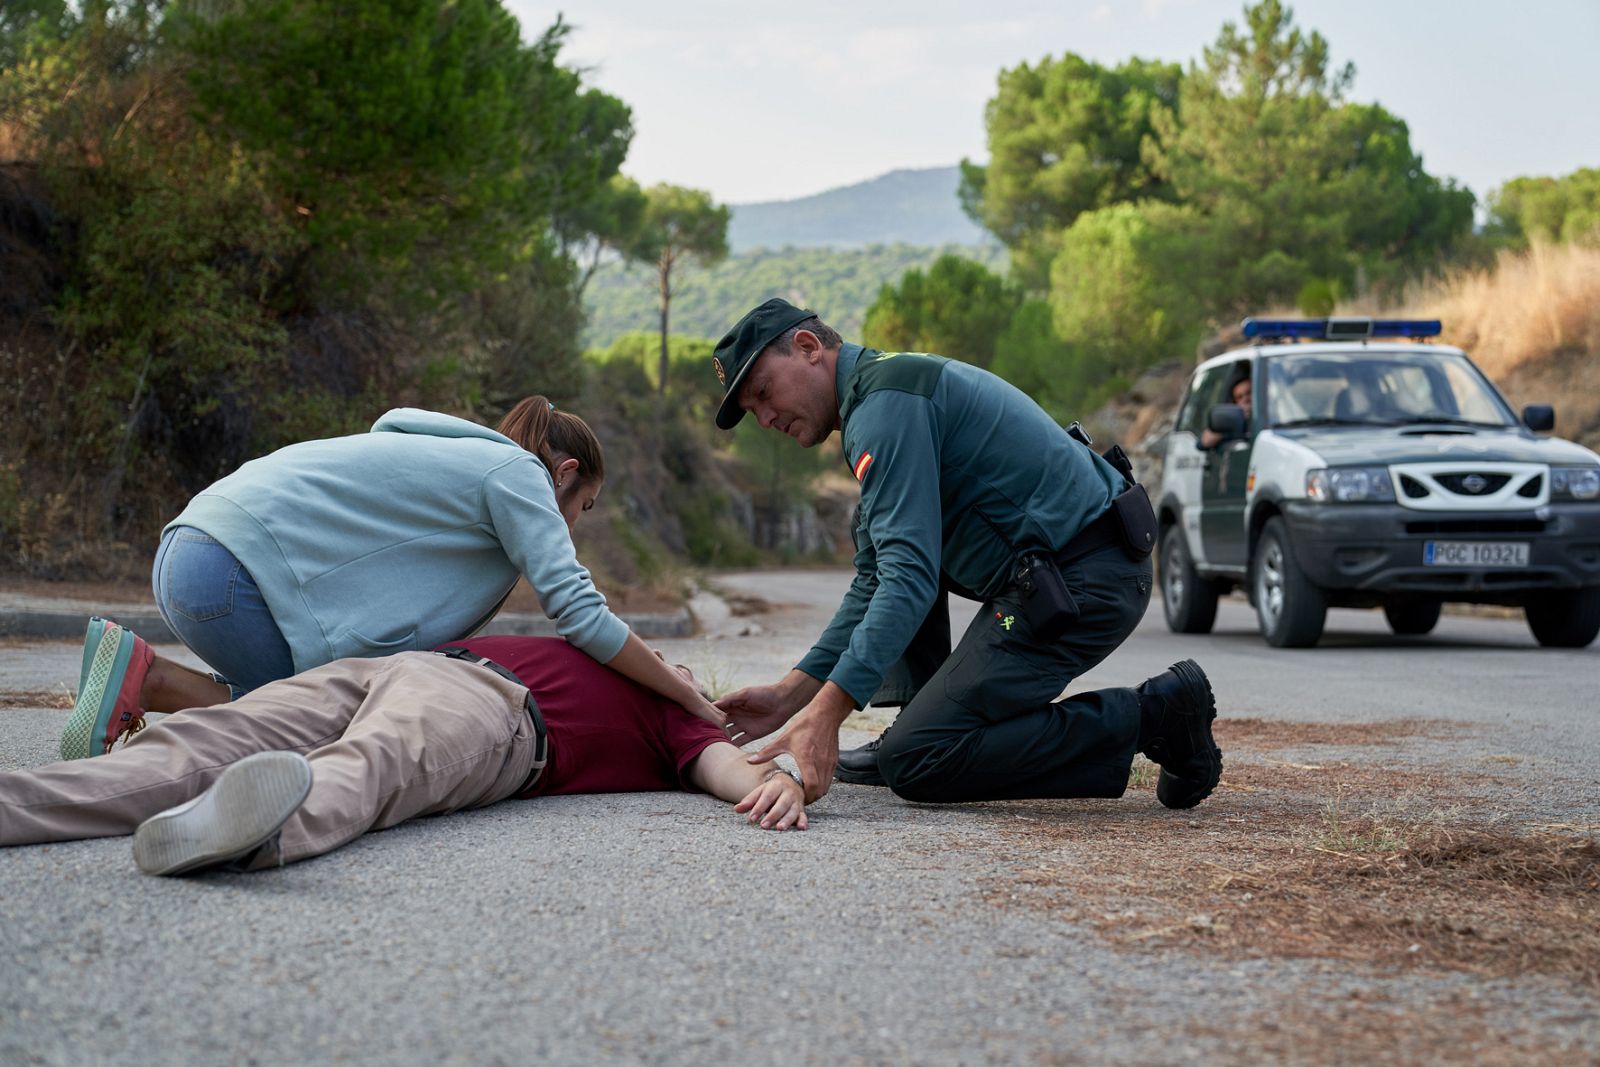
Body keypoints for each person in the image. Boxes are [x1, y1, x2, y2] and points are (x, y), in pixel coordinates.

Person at [707, 298, 1221, 810]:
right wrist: (791, 694)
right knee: (876, 528)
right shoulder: (881, 393)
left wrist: (825, 715)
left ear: (807, 347)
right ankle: (924, 713)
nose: (767, 418)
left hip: (1086, 581)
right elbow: (876, 580)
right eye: (755, 411)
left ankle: (1158, 713)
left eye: (764, 393)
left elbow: (907, 579)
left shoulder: (884, 411)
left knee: (920, 758)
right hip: (1066, 571)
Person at [62, 396, 723, 761]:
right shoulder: (519, 476)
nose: (573, 526)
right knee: (319, 721)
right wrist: (682, 693)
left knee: (313, 703)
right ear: (566, 472)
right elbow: (577, 612)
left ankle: (143, 675)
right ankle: (151, 703)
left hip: (194, 548)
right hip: (227, 573)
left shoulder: (455, 464)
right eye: (583, 506)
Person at [3, 637, 806, 876]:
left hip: (497, 714)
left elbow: (724, 769)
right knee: (204, 738)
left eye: (699, 676)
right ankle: (21, 801)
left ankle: (249, 827)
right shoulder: (608, 642)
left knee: (379, 762)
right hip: (397, 664)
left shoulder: (679, 718)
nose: (684, 667)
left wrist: (777, 778)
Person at [1200, 375, 1253, 449]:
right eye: (1239, 397)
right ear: (1235, 404)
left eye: (1249, 393)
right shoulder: (1233, 423)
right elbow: (1204, 442)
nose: (1245, 399)